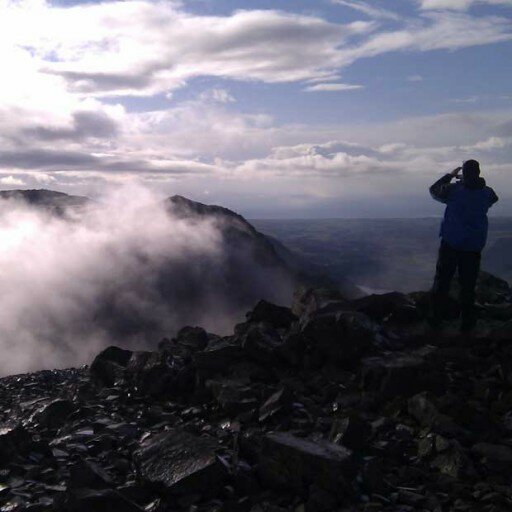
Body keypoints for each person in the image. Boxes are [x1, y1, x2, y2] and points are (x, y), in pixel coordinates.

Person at [429, 159, 499, 332]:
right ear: (479, 172)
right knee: (468, 285)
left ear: (464, 173)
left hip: (451, 243)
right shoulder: (487, 193)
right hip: (473, 246)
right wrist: (473, 181)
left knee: (443, 282)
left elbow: (433, 190)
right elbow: (493, 198)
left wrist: (451, 176)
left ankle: (436, 321)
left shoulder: (453, 190)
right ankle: (467, 324)